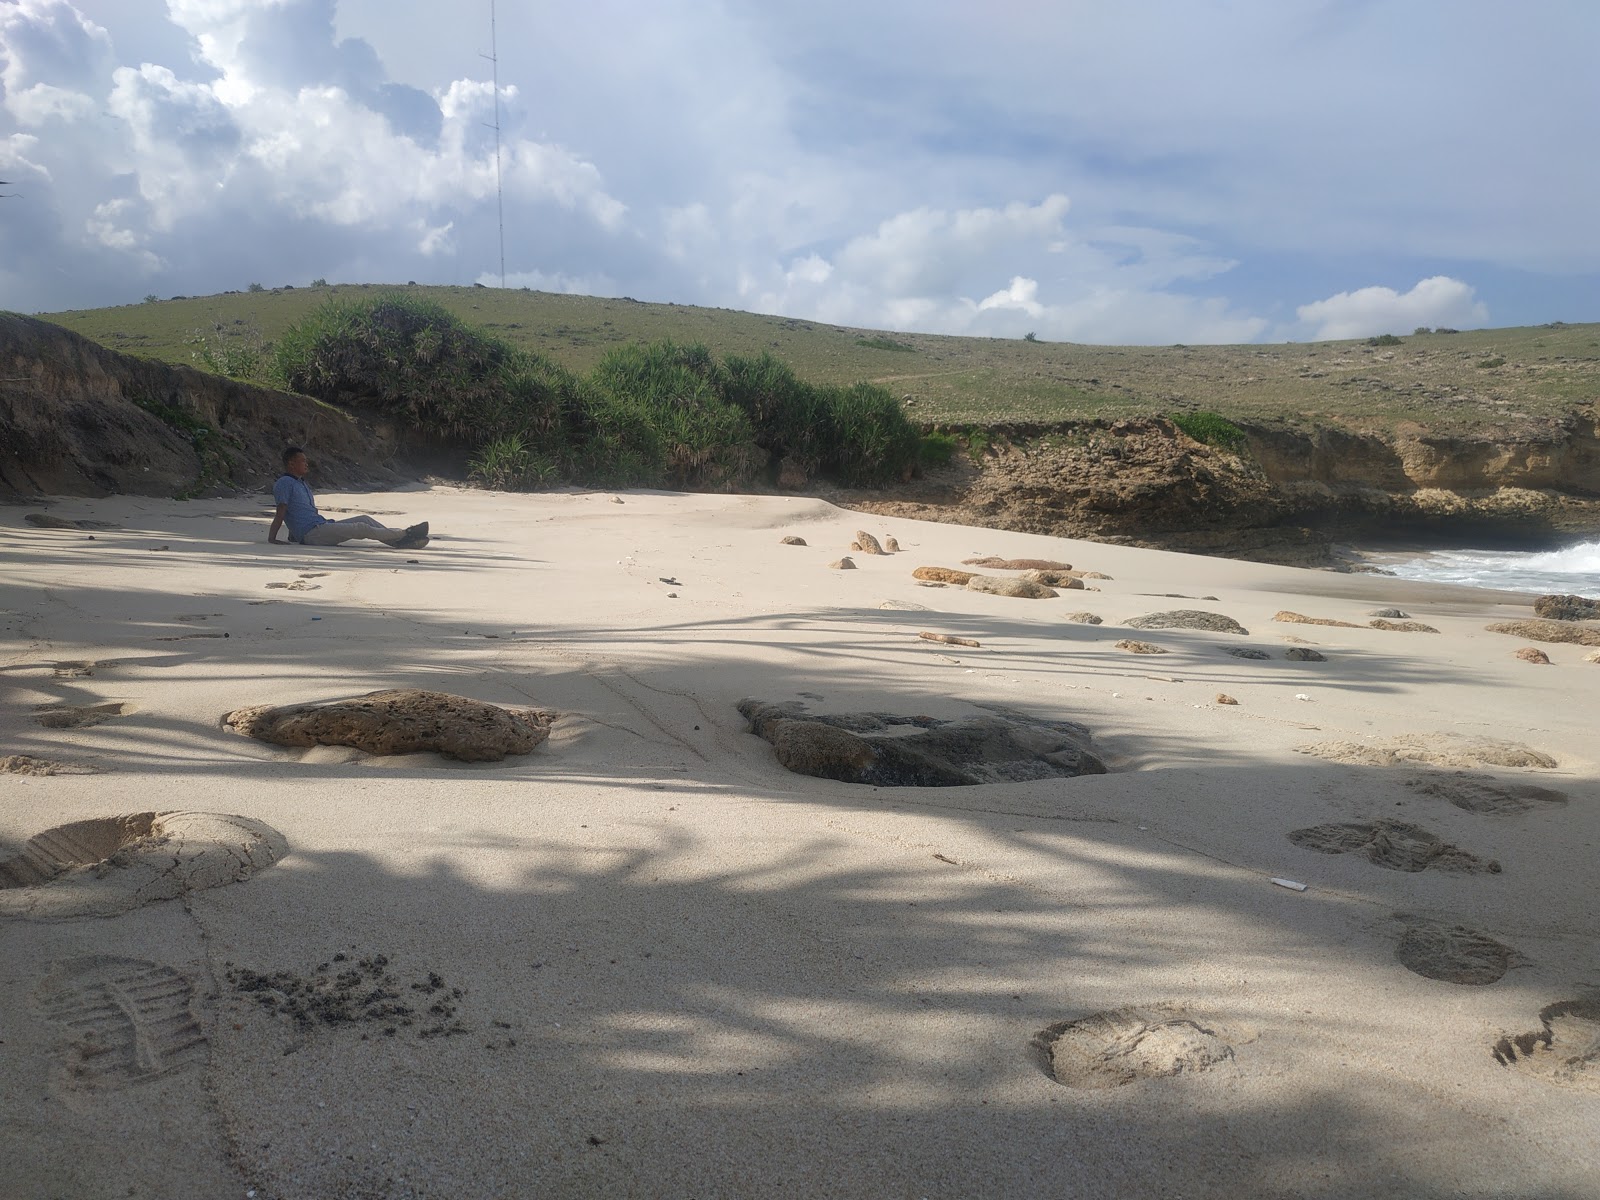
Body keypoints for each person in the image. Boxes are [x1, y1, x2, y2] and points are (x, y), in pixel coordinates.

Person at [268, 447, 430, 549]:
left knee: (365, 519)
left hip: (320, 526)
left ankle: (400, 542)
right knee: (360, 528)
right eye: (302, 461)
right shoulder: (284, 483)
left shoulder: (301, 483)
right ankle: (406, 533)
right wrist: (272, 538)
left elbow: (301, 511)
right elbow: (281, 511)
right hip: (312, 534)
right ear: (290, 463)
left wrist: (293, 534)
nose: (306, 464)